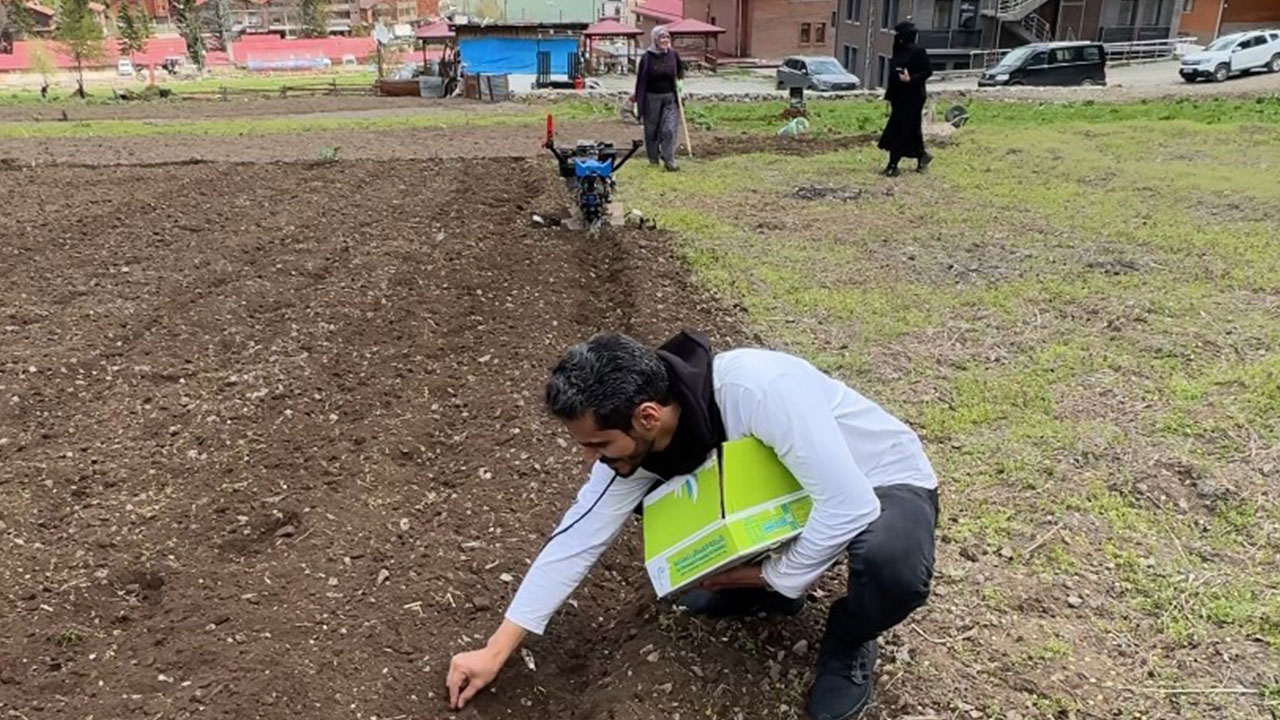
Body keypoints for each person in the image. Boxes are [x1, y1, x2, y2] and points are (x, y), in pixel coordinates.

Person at [447, 331, 940, 720]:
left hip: (878, 481)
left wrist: (771, 575)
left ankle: (850, 636)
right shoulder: (638, 443)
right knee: (683, 533)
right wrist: (495, 649)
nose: (591, 459)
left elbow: (849, 506)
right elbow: (577, 538)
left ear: (646, 416)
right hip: (793, 495)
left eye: (597, 445)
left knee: (890, 566)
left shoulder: (758, 388)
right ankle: (768, 595)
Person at [878, 21, 933, 177]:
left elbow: (927, 71)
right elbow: (893, 75)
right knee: (904, 129)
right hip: (899, 96)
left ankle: (893, 164)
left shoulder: (918, 51)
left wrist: (911, 79)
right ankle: (922, 156)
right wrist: (889, 95)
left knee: (904, 129)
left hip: (913, 96)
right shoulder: (898, 49)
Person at [632, 26, 685, 171]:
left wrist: (680, 85)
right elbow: (641, 80)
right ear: (655, 39)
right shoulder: (647, 57)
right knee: (652, 130)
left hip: (670, 98)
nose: (665, 40)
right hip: (651, 98)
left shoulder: (673, 55)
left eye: (667, 37)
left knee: (669, 130)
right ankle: (654, 159)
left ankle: (669, 160)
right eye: (662, 37)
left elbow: (680, 71)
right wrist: (638, 100)